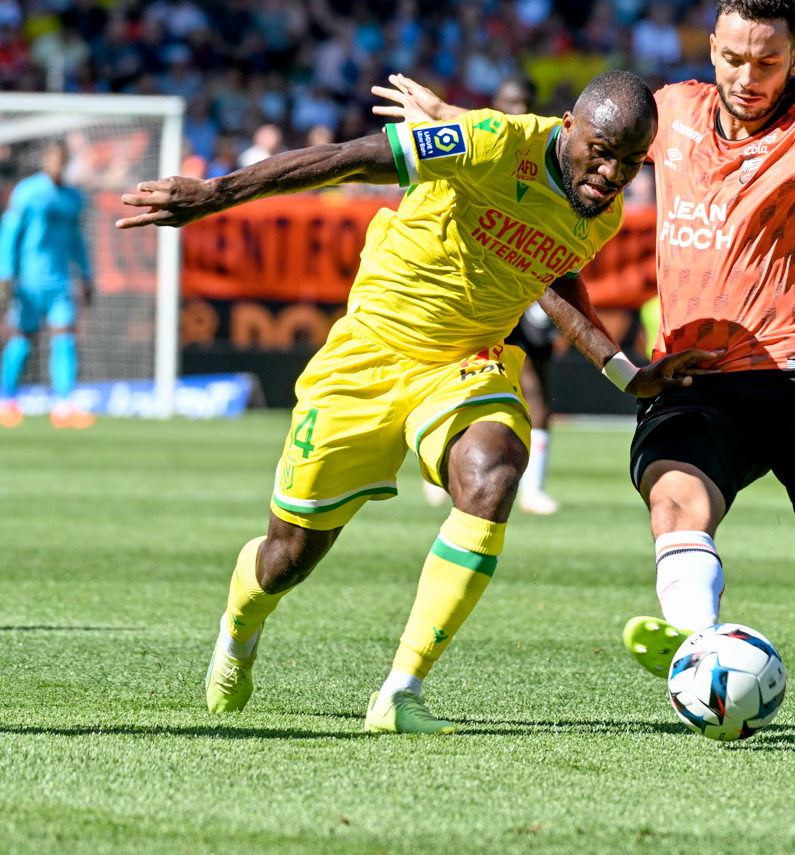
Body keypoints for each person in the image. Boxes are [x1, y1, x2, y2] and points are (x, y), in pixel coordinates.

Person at [373, 0, 795, 728]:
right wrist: (457, 117)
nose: (748, 76)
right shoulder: (671, 113)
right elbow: (572, 136)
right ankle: (703, 645)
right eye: (734, 58)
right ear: (712, 48)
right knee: (675, 501)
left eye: (768, 61)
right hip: (695, 375)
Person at [119, 71, 710, 734]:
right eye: (600, 150)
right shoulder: (491, 141)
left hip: (465, 362)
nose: (611, 172)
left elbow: (552, 272)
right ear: (568, 126)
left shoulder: (597, 210)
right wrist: (217, 193)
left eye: (630, 161)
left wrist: (625, 372)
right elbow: (348, 159)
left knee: (494, 472)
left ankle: (401, 692)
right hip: (369, 354)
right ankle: (240, 624)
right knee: (286, 560)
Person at [421, 75, 564, 515]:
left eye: (523, 102)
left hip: (526, 286)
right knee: (446, 375)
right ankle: (437, 465)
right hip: (475, 290)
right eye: (508, 102)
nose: (516, 110)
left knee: (536, 387)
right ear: (493, 106)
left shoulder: (549, 155)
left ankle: (534, 488)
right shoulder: (479, 143)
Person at [0, 141, 95, 429]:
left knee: (65, 339)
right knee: (23, 340)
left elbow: (77, 240)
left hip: (61, 281)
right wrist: (4, 274)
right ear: (44, 161)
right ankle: (6, 401)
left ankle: (63, 405)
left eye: (62, 160)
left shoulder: (74, 197)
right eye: (53, 159)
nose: (57, 165)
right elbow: (9, 233)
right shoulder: (27, 192)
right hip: (28, 280)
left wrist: (86, 275)